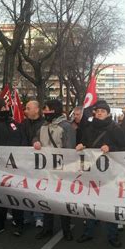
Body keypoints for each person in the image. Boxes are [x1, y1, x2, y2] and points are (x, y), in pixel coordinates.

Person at [76, 100, 125, 248]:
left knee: (110, 205)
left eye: (103, 111)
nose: (99, 113)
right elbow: (85, 143)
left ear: (108, 113)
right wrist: (82, 145)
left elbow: (124, 148)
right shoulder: (89, 128)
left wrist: (111, 147)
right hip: (92, 172)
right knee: (91, 204)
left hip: (110, 174)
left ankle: (113, 235)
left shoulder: (115, 128)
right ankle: (88, 232)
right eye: (98, 110)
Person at [33, 99, 75, 241]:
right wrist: (35, 142)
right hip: (46, 170)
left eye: (47, 109)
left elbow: (70, 150)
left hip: (61, 171)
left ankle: (66, 229)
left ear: (54, 110)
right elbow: (35, 137)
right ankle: (47, 228)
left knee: (63, 201)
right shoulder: (43, 126)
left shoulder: (66, 127)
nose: (45, 112)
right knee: (47, 200)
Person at [0, 98, 26, 237]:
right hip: (1, 168)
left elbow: (22, 139)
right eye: (5, 107)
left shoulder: (13, 122)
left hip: (16, 166)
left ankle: (19, 223)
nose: (7, 108)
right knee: (1, 197)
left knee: (16, 196)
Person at [20, 100, 45, 228]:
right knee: (26, 189)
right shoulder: (23, 123)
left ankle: (39, 216)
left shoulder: (44, 124)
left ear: (36, 109)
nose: (26, 110)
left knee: (38, 190)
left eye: (28, 108)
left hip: (39, 163)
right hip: (26, 161)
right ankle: (26, 216)